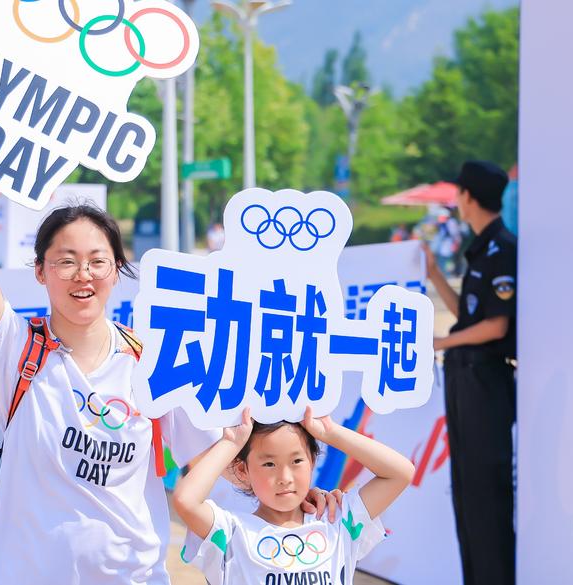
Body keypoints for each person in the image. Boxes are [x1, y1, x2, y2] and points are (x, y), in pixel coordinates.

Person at [0, 114, 339, 584]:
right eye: (66, 262)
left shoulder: (152, 363)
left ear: (117, 270)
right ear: (40, 271)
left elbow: (220, 451)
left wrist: (293, 489)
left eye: (98, 261)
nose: (83, 275)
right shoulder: (17, 350)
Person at [172, 406, 414, 584]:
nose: (284, 477)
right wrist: (232, 443)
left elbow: (400, 473)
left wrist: (331, 432)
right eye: (269, 464)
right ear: (243, 470)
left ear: (312, 461)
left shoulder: (337, 521)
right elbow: (186, 500)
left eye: (297, 460)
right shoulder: (232, 532)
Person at [423, 160, 516, 585]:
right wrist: (435, 276)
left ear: (467, 197)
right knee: (465, 490)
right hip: (465, 380)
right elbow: (468, 316)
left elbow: (496, 326)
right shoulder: (481, 249)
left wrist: (439, 343)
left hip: (485, 383)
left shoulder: (503, 249)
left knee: (485, 493)